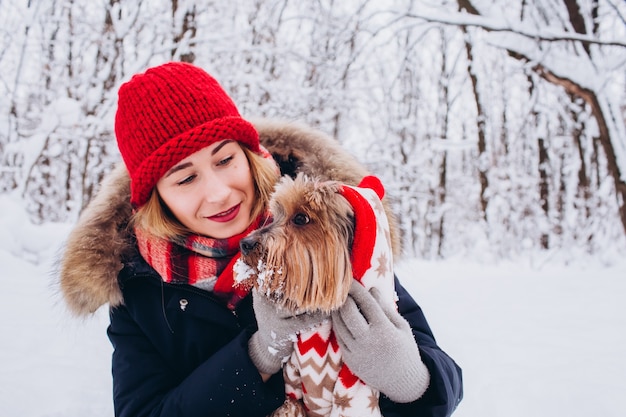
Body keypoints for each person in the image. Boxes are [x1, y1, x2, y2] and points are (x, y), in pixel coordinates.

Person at [58, 62, 462, 417]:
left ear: (249, 153)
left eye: (225, 159)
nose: (218, 193)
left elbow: (444, 380)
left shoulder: (326, 228)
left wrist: (410, 378)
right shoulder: (141, 289)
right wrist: (259, 355)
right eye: (185, 177)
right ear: (155, 199)